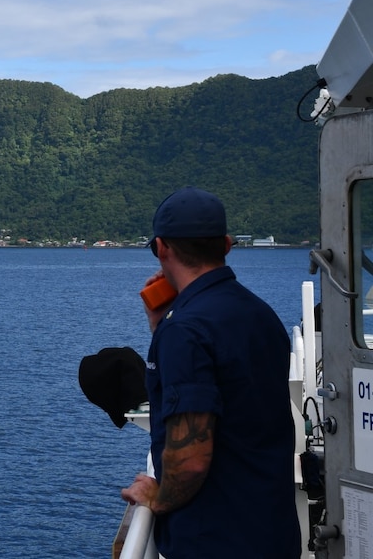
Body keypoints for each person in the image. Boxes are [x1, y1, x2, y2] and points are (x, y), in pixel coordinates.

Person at [120, 187, 300, 558]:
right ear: (228, 244)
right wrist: (161, 326)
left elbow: (191, 457)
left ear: (162, 248)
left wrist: (160, 496)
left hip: (216, 539)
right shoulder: (258, 314)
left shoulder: (185, 330)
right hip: (270, 532)